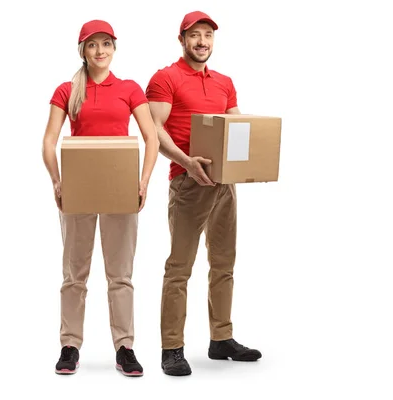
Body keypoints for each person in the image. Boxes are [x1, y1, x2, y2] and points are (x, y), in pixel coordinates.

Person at [145, 11, 262, 376]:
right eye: (195, 35)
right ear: (182, 39)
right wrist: (186, 161)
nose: (202, 42)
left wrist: (246, 164)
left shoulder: (225, 82)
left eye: (208, 35)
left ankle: (221, 339)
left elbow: (237, 127)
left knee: (224, 264)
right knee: (179, 268)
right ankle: (171, 348)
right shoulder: (166, 78)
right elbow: (153, 130)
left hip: (223, 185)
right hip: (187, 181)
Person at [42, 19, 159, 377]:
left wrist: (142, 182)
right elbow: (49, 141)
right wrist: (57, 182)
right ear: (83, 50)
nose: (100, 50)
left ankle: (125, 347)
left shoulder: (128, 88)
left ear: (114, 47)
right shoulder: (67, 89)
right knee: (74, 275)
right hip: (78, 189)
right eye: (92, 45)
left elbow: (151, 138)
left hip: (120, 188)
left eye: (106, 43)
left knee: (120, 275)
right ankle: (69, 345)